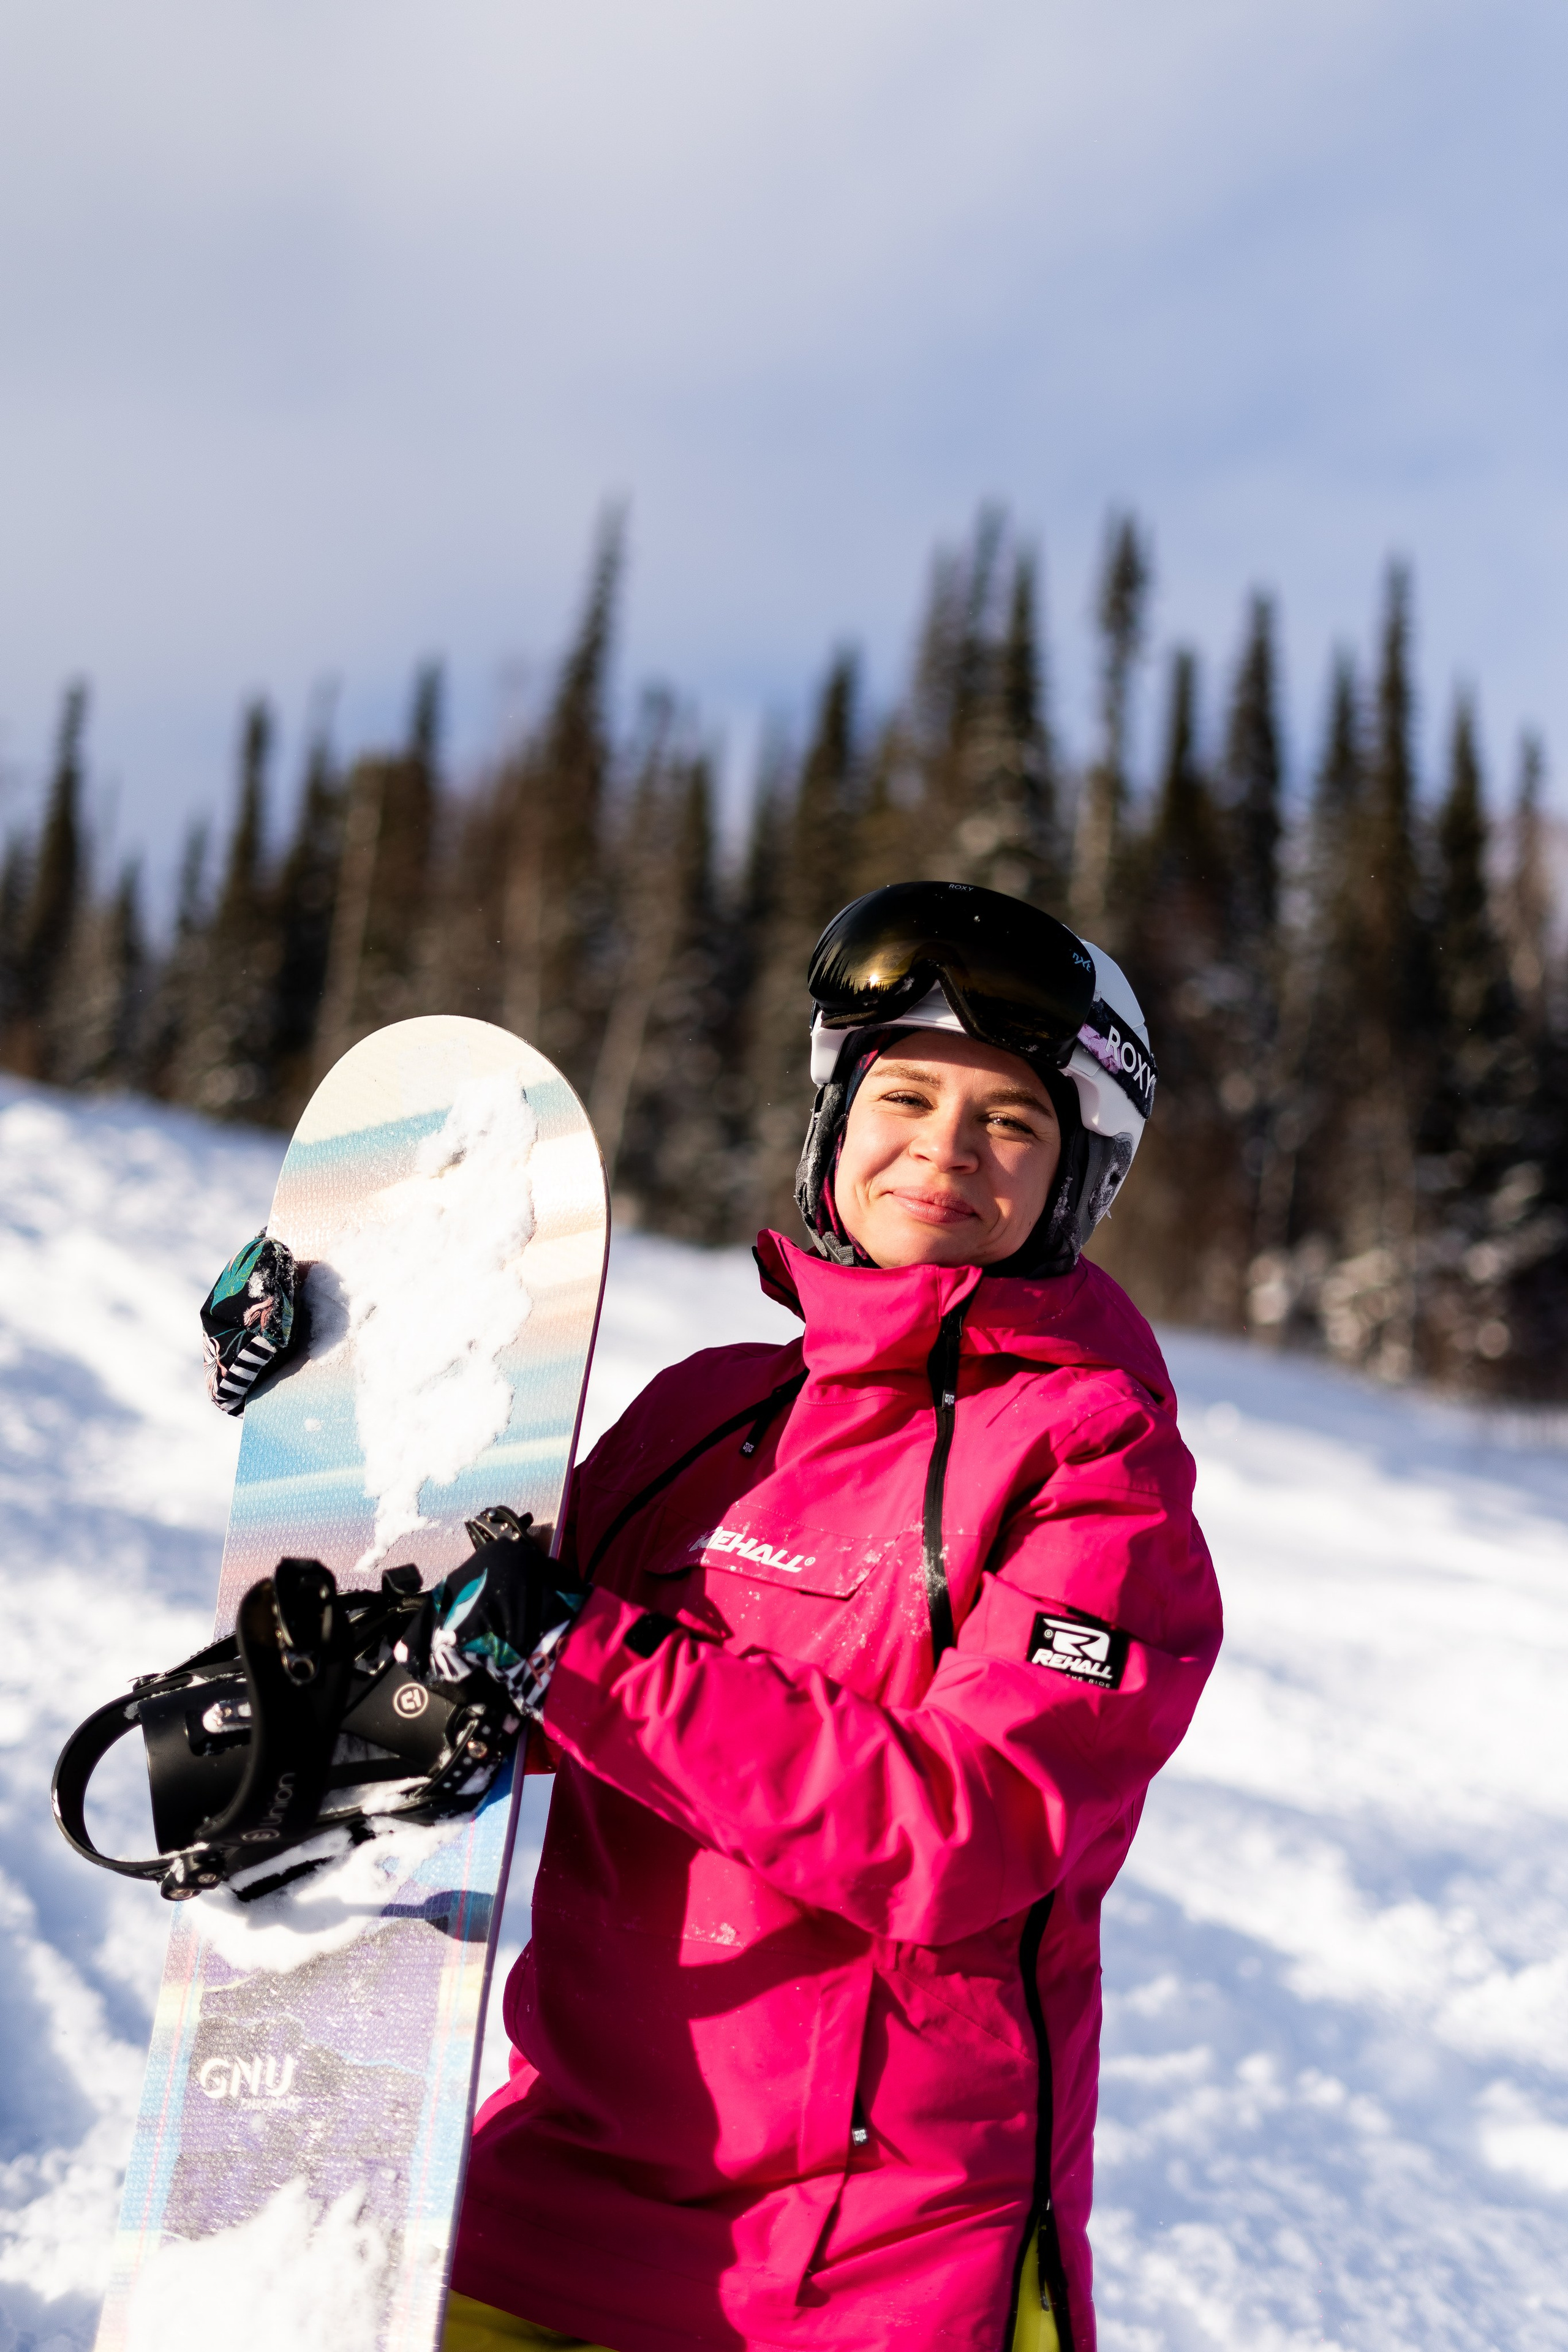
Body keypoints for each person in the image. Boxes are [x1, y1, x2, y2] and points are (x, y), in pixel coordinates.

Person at [212, 880, 1221, 2352]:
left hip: (872, 2264)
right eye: (907, 1095)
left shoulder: (1095, 1462)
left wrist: (585, 1656)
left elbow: (968, 1830)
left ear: (1073, 1177)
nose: (942, 1148)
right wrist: (327, 1386)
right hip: (556, 2187)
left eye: (1009, 1120)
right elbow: (470, 1648)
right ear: (834, 1120)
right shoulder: (711, 1411)